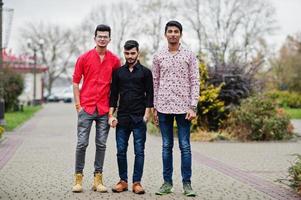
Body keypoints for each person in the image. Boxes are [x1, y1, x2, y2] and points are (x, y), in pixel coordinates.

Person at [152, 20, 199, 197]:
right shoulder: (158, 56)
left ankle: (187, 184)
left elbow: (195, 81)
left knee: (185, 146)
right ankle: (167, 183)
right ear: (165, 34)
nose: (173, 34)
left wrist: (193, 106)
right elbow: (155, 82)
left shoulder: (189, 55)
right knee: (166, 146)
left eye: (176, 31)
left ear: (180, 34)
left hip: (184, 108)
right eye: (170, 31)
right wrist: (155, 107)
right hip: (163, 106)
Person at [72, 24, 121, 193]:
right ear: (95, 38)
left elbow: (116, 87)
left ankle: (97, 180)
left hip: (104, 109)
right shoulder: (84, 58)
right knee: (82, 143)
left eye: (105, 36)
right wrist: (78, 106)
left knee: (101, 144)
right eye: (99, 36)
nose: (102, 39)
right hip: (86, 107)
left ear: (109, 39)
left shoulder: (115, 60)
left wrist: (112, 112)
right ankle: (78, 179)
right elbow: (75, 82)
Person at [109, 40, 154, 194]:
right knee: (121, 151)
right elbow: (113, 96)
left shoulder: (146, 73)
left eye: (132, 53)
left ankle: (137, 183)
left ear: (138, 53)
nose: (130, 56)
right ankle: (123, 181)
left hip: (139, 118)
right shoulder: (118, 73)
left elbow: (150, 95)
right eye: (127, 53)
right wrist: (111, 115)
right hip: (122, 118)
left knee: (139, 151)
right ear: (124, 53)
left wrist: (147, 115)